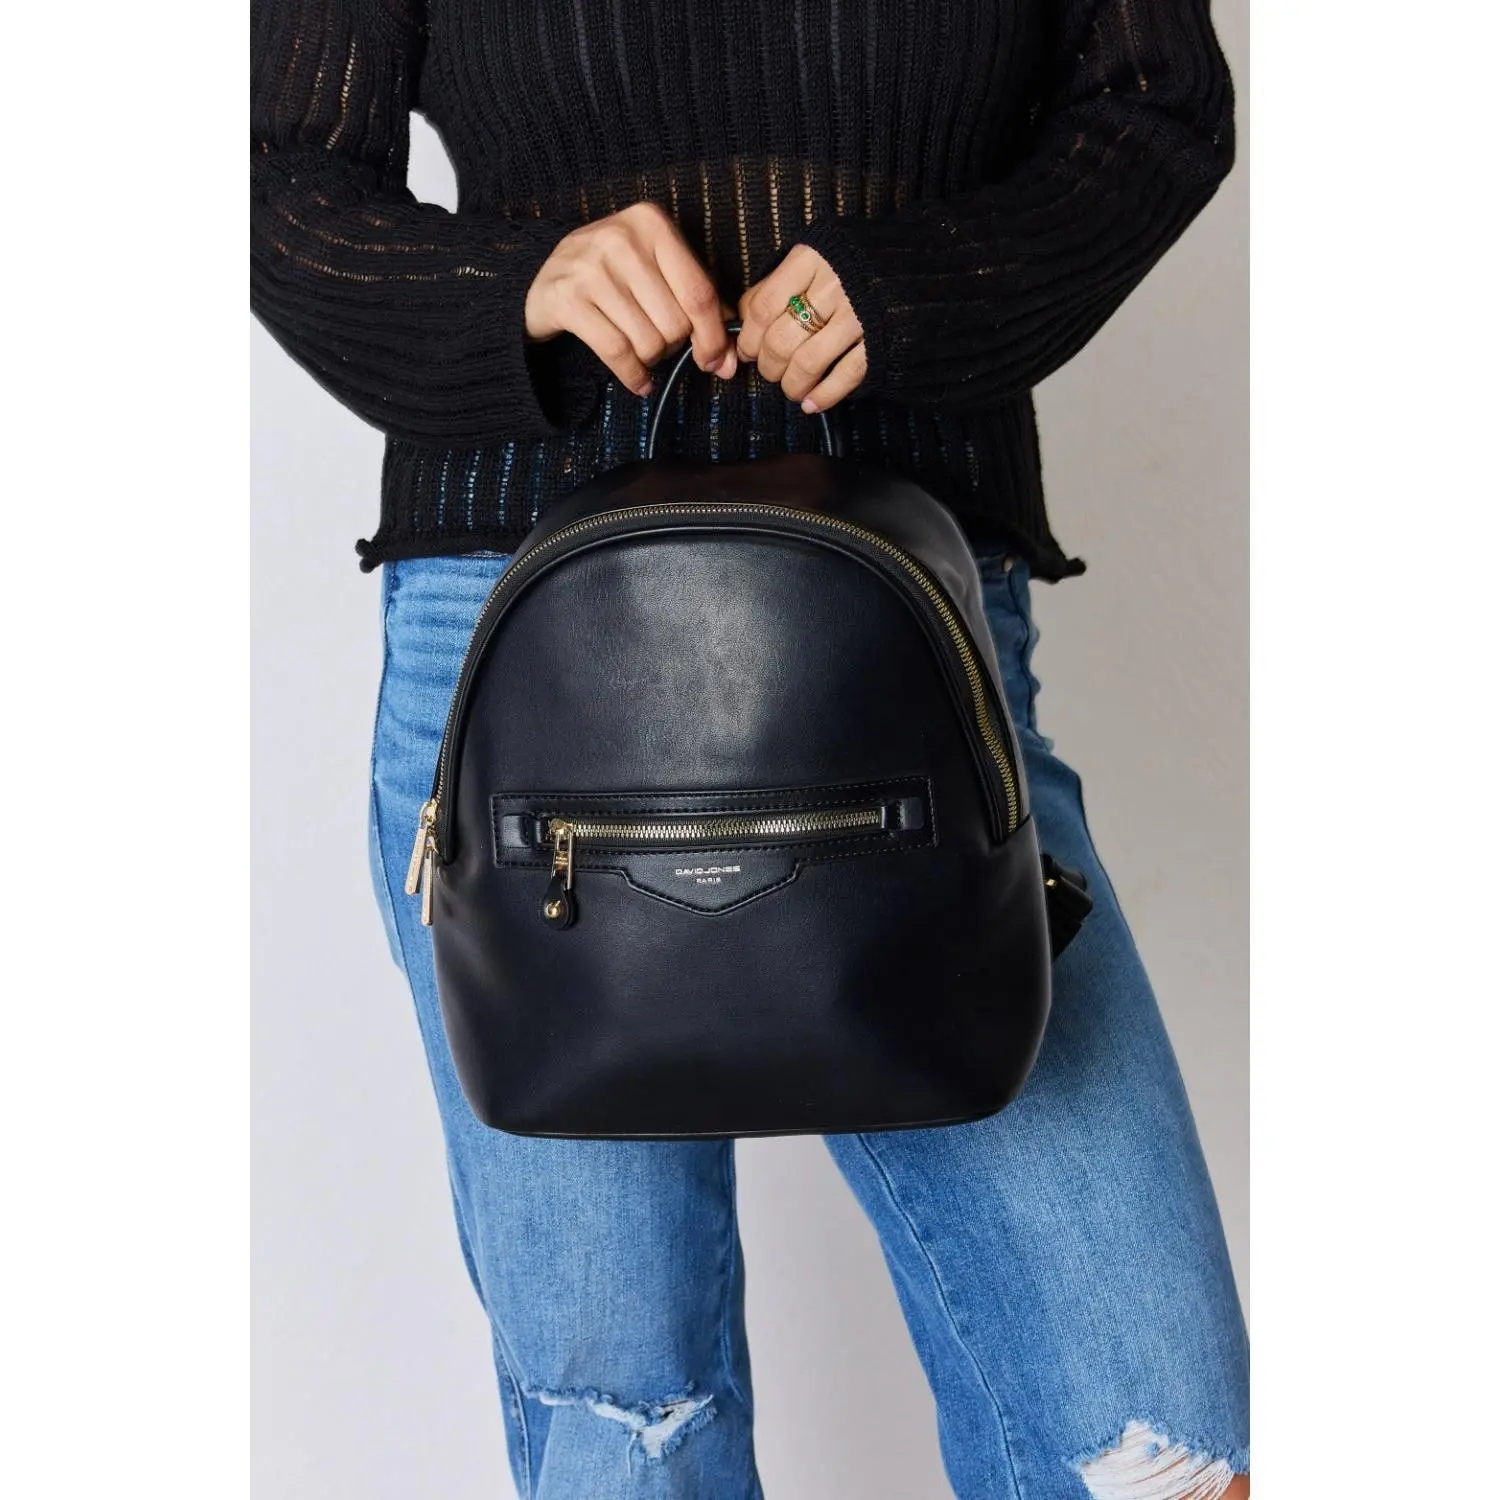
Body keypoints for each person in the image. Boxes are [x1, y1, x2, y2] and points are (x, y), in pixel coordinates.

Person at [251, 0, 1249, 1493]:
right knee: (629, 1429)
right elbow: (278, 176)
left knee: (1157, 1437)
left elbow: (1157, 101)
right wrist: (521, 288)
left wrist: (916, 288)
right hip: (525, 654)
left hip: (907, 642)